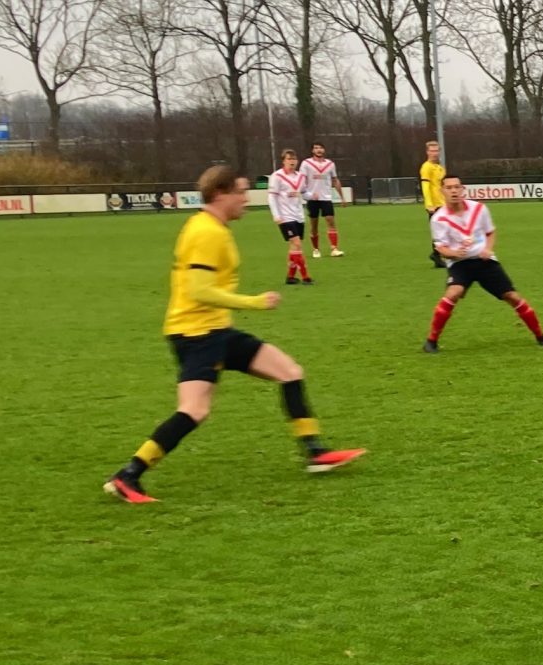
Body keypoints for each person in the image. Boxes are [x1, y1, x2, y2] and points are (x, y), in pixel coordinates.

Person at [102, 164, 363, 504]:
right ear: (219, 194)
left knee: (289, 372)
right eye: (240, 192)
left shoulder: (211, 227)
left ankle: (315, 452)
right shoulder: (206, 233)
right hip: (197, 334)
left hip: (215, 331)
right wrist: (253, 302)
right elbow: (199, 290)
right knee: (194, 410)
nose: (246, 198)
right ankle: (128, 475)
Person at [422, 175, 543, 351]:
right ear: (442, 191)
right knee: (453, 293)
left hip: (484, 261)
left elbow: (490, 232)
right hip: (460, 264)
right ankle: (431, 341)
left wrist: (488, 249)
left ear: (463, 189)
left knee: (512, 296)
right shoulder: (439, 219)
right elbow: (441, 248)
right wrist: (454, 253)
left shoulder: (479, 209)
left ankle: (541, 336)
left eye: (457, 187)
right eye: (449, 188)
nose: (454, 191)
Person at [267, 149, 315, 284]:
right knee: (297, 243)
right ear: (283, 161)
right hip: (285, 217)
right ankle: (305, 277)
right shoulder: (277, 176)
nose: (292, 161)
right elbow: (272, 197)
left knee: (294, 247)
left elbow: (304, 193)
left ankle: (290, 277)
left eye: (294, 159)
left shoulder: (300, 177)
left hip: (298, 215)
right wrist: (276, 215)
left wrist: (313, 196)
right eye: (289, 159)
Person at [301, 142, 343, 256]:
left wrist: (342, 197)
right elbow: (302, 180)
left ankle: (334, 249)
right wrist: (305, 193)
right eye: (316, 148)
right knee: (314, 225)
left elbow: (335, 180)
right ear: (312, 150)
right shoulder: (306, 163)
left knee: (331, 221)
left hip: (326, 198)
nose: (318, 150)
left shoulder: (330, 164)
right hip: (312, 198)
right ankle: (316, 249)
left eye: (320, 148)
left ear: (324, 150)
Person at [419, 139, 448, 267]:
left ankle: (437, 255)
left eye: (436, 151)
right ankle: (437, 255)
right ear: (427, 152)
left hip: (443, 204)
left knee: (444, 230)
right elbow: (425, 186)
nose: (434, 153)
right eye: (432, 151)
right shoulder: (426, 167)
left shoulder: (440, 168)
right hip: (434, 205)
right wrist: (429, 204)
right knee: (439, 231)